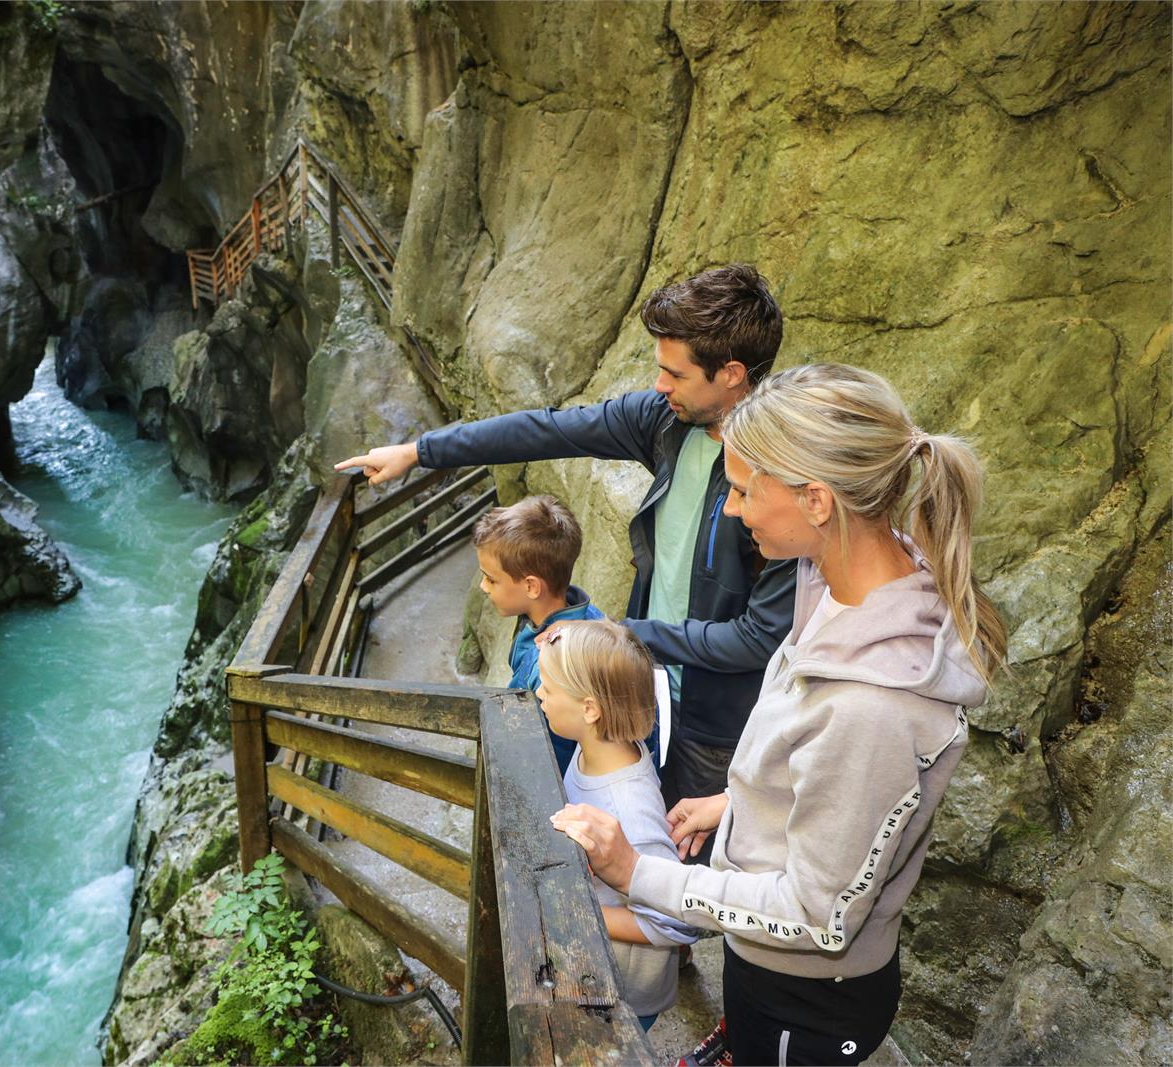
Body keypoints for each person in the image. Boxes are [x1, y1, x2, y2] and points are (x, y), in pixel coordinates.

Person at [550, 363, 1008, 1067]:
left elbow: (814, 916)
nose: (733, 509)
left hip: (809, 995)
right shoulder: (840, 577)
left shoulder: (874, 707)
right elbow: (823, 772)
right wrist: (740, 802)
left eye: (740, 489)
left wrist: (634, 872)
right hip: (766, 963)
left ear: (817, 500)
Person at [336, 264, 796, 861]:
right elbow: (545, 430)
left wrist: (624, 635)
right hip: (648, 685)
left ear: (732, 375)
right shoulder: (666, 423)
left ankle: (666, 951)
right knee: (632, 828)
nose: (659, 385)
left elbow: (759, 640)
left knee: (687, 864)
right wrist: (420, 451)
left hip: (718, 719)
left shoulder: (781, 482)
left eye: (674, 372)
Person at [535, 619, 698, 1031]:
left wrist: (578, 912)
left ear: (590, 709)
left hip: (626, 992)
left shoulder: (630, 808)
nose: (538, 694)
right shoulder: (600, 746)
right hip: (599, 960)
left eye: (548, 688)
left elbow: (676, 922)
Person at [471, 495, 603, 776]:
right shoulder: (586, 613)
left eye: (491, 578)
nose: (483, 586)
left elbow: (544, 753)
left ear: (531, 587)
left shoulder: (549, 666)